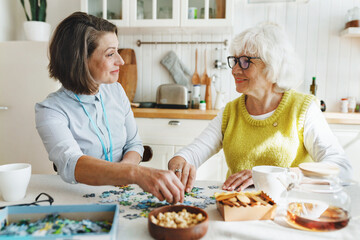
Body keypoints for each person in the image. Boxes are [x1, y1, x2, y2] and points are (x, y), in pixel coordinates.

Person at [168, 22, 352, 193]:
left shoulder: (303, 108)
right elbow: (193, 153)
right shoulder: (230, 112)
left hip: (289, 213)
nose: (234, 70)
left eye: (246, 61)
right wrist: (180, 163)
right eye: (235, 60)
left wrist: (279, 176)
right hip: (238, 210)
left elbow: (341, 169)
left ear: (272, 66)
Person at [35, 12, 184, 204]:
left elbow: (134, 144)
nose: (121, 61)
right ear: (80, 60)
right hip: (79, 200)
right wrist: (133, 173)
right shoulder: (50, 110)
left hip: (123, 196)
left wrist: (123, 175)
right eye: (110, 54)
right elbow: (71, 163)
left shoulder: (116, 91)